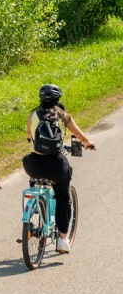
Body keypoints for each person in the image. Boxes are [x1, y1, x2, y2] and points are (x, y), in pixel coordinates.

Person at [24, 83, 95, 254]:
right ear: (58, 99)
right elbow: (80, 135)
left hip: (34, 164)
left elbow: (28, 136)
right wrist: (87, 143)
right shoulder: (63, 116)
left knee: (36, 178)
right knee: (63, 196)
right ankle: (63, 239)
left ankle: (36, 208)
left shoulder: (32, 115)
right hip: (56, 165)